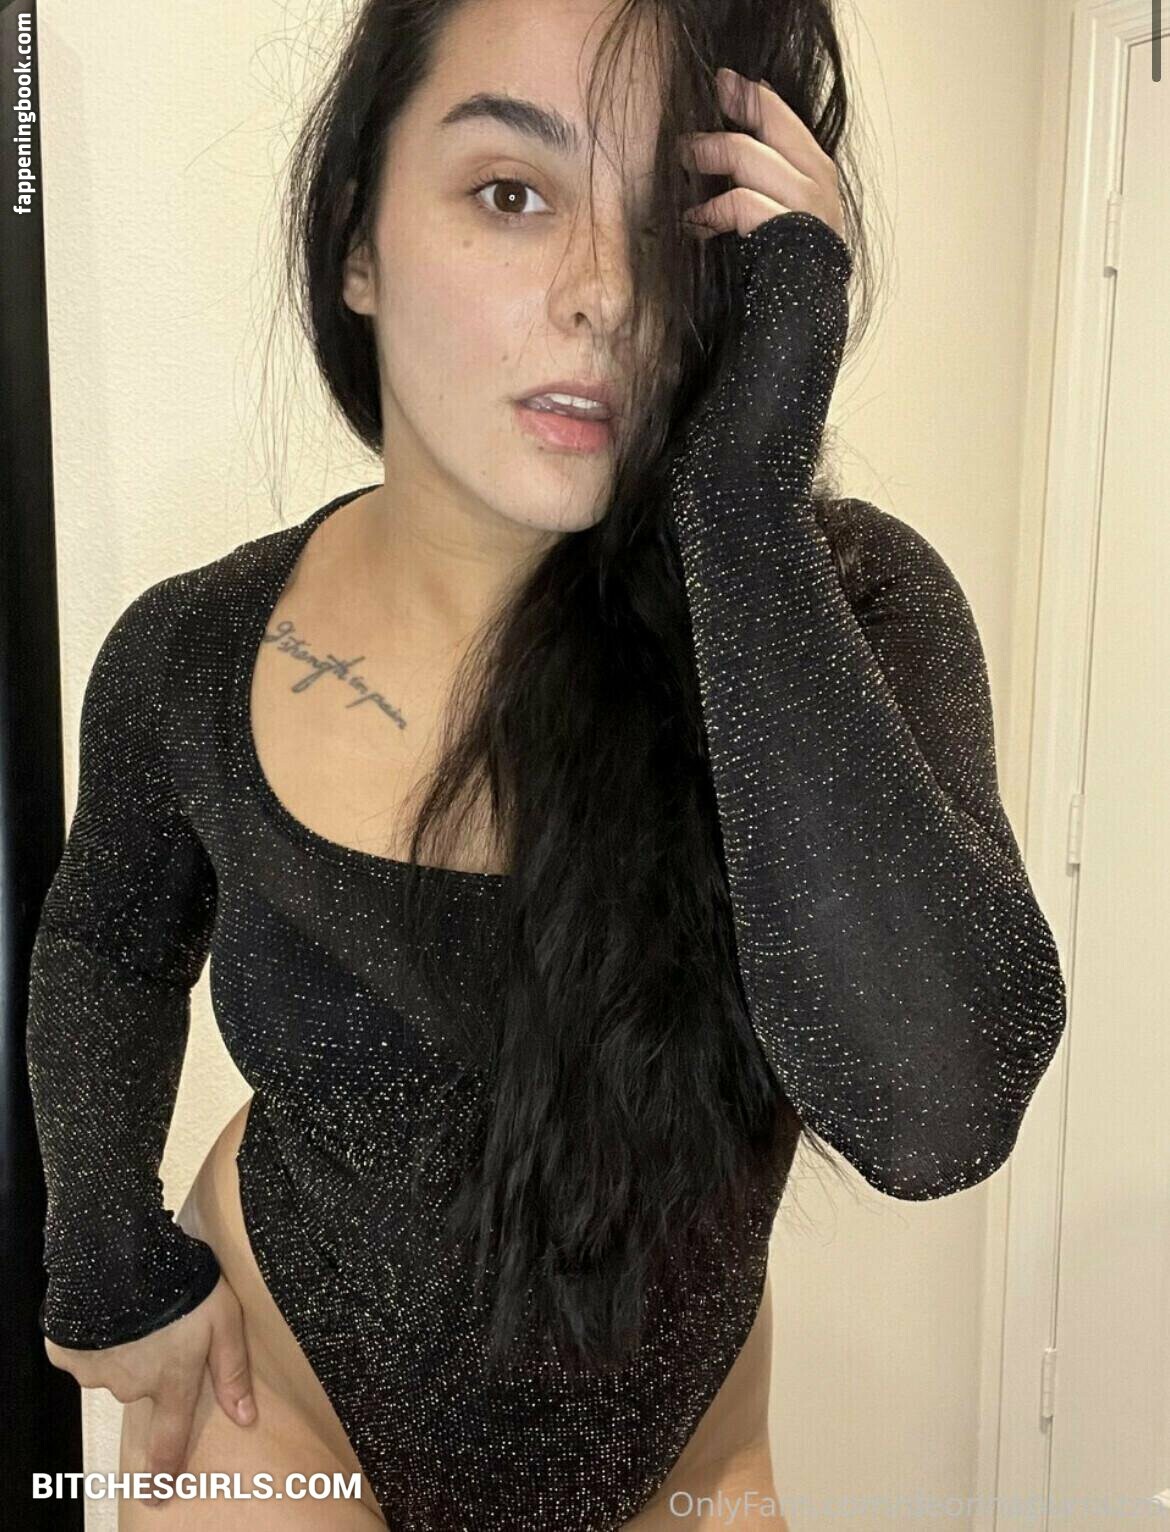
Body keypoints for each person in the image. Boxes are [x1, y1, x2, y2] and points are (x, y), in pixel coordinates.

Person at [26, 1, 1068, 1527]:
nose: (606, 294)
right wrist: (108, 1259)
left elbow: (933, 1116)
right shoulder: (192, 650)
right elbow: (107, 942)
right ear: (357, 241)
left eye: (675, 219)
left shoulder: (839, 608)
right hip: (277, 1416)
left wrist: (743, 497)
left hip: (682, 1474)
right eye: (511, 193)